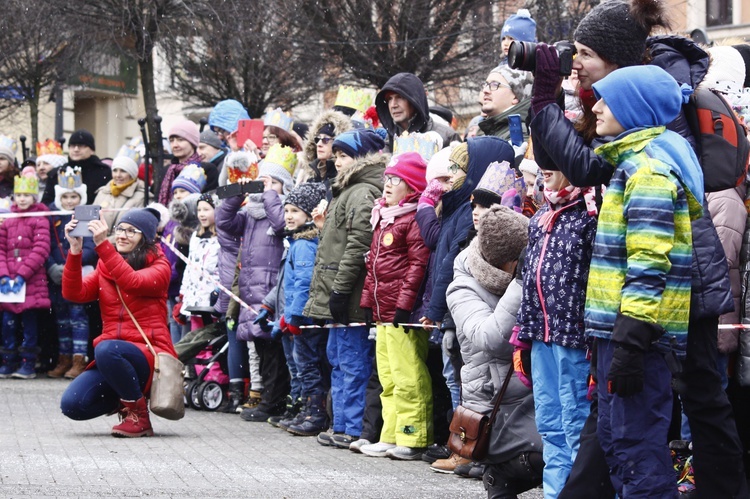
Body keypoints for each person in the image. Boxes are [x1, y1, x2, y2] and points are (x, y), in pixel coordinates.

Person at [530, 1, 747, 496]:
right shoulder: (621, 110)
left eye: (584, 53)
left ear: (616, 60)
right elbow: (562, 157)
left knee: (667, 414)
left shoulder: (650, 118)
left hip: (672, 289)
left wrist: (631, 331)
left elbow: (589, 173)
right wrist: (546, 97)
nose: (576, 62)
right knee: (621, 422)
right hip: (638, 295)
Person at [446, 205, 544, 497]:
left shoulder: (516, 277)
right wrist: (520, 283)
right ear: (508, 262)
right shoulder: (462, 288)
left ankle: (500, 480)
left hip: (530, 398)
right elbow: (490, 338)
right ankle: (498, 475)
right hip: (497, 410)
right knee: (550, 454)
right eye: (522, 260)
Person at [516, 165, 597, 497]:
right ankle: (555, 493)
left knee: (575, 423)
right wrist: (522, 331)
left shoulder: (589, 216)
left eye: (555, 163)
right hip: (540, 336)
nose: (546, 170)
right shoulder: (539, 218)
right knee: (549, 424)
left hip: (574, 337)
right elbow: (528, 281)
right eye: (543, 164)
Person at [60, 207, 176, 438]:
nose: (122, 235)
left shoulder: (160, 267)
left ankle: (139, 417)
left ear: (146, 238)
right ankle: (126, 398)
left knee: (106, 348)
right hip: (113, 356)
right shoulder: (106, 266)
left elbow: (131, 281)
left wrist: (103, 244)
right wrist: (75, 251)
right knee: (73, 405)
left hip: (150, 355)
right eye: (120, 229)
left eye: (131, 231)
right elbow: (75, 293)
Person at [303, 129, 386, 447]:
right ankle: (341, 423)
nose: (337, 161)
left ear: (362, 158)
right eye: (335, 155)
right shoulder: (346, 191)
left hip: (350, 297)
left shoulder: (362, 192)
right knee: (337, 358)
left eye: (344, 155)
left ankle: (351, 427)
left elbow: (358, 246)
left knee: (352, 361)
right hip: (337, 296)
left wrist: (338, 290)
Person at [359, 152, 431, 460]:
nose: (388, 185)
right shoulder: (384, 218)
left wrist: (403, 305)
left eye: (396, 181)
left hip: (400, 314)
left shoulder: (410, 221)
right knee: (388, 376)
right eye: (387, 179)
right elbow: (373, 269)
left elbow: (417, 266)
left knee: (408, 376)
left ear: (412, 188)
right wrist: (367, 303)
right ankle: (390, 433)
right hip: (382, 313)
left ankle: (413, 436)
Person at [216, 143, 296, 422]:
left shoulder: (283, 209)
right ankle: (267, 400)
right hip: (252, 292)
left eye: (273, 182)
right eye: (263, 181)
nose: (265, 188)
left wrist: (272, 195)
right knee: (261, 351)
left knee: (275, 354)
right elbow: (224, 223)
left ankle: (273, 403)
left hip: (273, 292)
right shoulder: (251, 215)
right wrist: (235, 194)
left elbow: (281, 224)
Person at [271, 182, 330, 436]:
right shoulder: (296, 241)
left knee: (308, 366)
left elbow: (304, 283)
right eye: (286, 211)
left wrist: (293, 316)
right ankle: (307, 409)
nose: (289, 216)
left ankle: (315, 413)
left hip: (305, 318)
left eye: (295, 211)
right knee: (303, 365)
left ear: (308, 214)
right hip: (299, 317)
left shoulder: (305, 244)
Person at [0, 167, 51, 379]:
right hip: (8, 281)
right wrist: (4, 274)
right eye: (19, 195)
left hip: (30, 281)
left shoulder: (40, 219)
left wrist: (21, 274)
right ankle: (8, 360)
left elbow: (41, 249)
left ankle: (27, 362)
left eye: (26, 195)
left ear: (34, 197)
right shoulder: (8, 221)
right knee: (8, 323)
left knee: (29, 324)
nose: (22, 199)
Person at [46, 167, 95, 379]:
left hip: (78, 274)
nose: (69, 200)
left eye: (74, 196)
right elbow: (45, 244)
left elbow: (90, 248)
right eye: (65, 196)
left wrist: (71, 264)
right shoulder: (51, 213)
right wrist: (51, 267)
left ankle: (79, 359)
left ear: (81, 196)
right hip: (57, 276)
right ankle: (64, 358)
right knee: (61, 319)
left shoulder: (85, 214)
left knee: (78, 318)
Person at [375, 73, 461, 152]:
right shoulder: (386, 143)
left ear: (415, 100)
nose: (393, 105)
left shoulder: (447, 136)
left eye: (400, 97)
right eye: (389, 99)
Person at [178, 193, 219, 331]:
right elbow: (189, 267)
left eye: (206, 210)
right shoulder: (195, 236)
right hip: (194, 297)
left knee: (209, 337)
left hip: (211, 297)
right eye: (199, 210)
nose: (201, 214)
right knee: (196, 338)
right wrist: (183, 293)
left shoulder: (221, 238)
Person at [41, 130, 112, 206]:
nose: (76, 149)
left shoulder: (104, 172)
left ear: (92, 150)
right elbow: (46, 204)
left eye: (81, 146)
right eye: (72, 146)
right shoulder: (57, 173)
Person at [158, 120, 219, 206]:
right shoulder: (167, 171)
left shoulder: (207, 169)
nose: (175, 145)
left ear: (193, 143)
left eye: (180, 140)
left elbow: (210, 203)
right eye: (171, 140)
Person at [93, 156, 146, 238]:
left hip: (124, 247)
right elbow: (91, 221)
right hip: (97, 245)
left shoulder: (141, 196)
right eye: (115, 170)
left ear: (132, 174)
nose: (118, 175)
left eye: (123, 171)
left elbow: (136, 230)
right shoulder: (103, 192)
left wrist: (105, 242)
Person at [477, 65, 534, 141]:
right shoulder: (497, 130)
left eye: (494, 84)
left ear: (516, 96)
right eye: (486, 84)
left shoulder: (520, 135)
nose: (485, 90)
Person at [300, 110, 352, 193]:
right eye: (317, 139)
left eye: (325, 139)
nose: (319, 144)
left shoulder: (341, 179)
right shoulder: (313, 175)